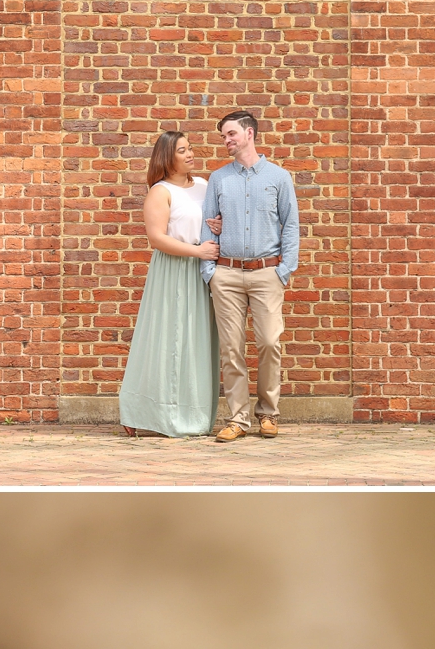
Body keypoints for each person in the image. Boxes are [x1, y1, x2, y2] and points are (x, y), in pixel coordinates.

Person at [199, 110, 299, 443]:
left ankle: (268, 414)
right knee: (231, 349)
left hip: (266, 272)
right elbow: (206, 225)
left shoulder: (278, 177)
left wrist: (284, 270)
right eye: (223, 136)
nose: (226, 141)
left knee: (270, 342)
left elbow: (292, 226)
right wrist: (209, 272)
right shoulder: (218, 179)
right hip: (226, 274)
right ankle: (238, 419)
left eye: (230, 134)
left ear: (249, 133)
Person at [118, 130, 221, 438]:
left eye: (190, 148)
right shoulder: (160, 192)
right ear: (167, 157)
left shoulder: (205, 185)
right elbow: (157, 237)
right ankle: (146, 413)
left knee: (198, 342)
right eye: (182, 150)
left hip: (202, 270)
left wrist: (216, 227)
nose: (190, 154)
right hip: (175, 270)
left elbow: (212, 223)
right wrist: (197, 250)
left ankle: (195, 415)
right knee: (169, 340)